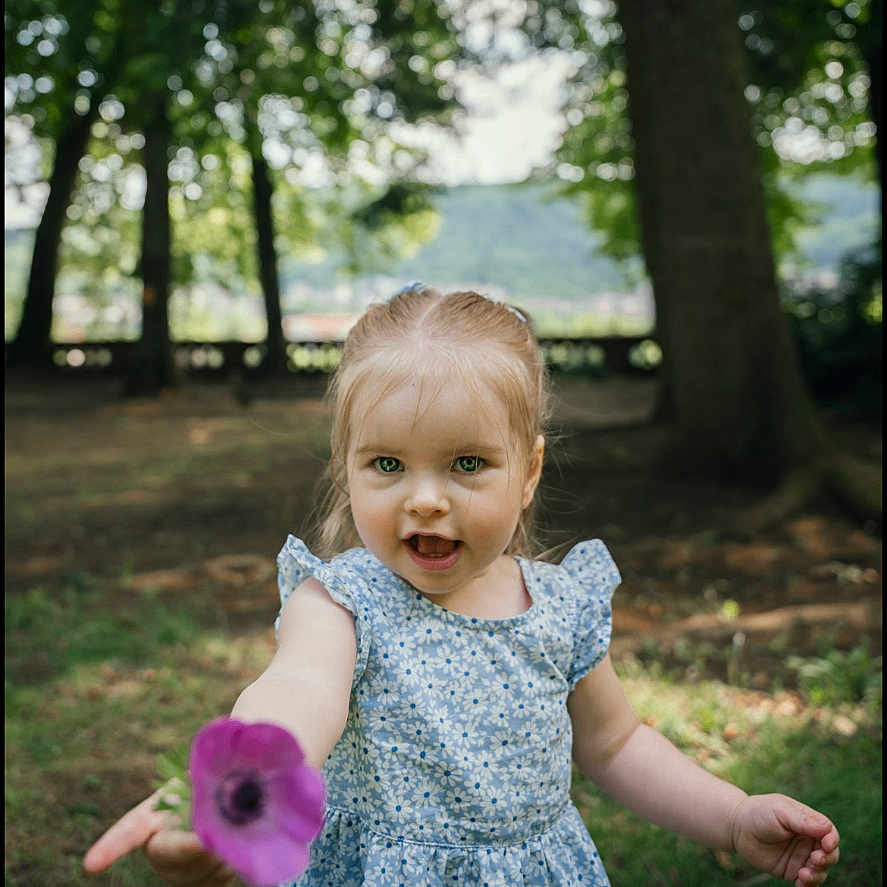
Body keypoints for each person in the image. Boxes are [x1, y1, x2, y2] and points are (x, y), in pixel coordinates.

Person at [84, 285, 840, 886]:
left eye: (466, 464)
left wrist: (735, 818)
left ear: (529, 471)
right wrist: (238, 780)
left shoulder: (558, 606)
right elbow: (298, 694)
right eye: (386, 465)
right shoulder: (341, 601)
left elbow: (615, 744)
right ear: (346, 468)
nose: (424, 498)